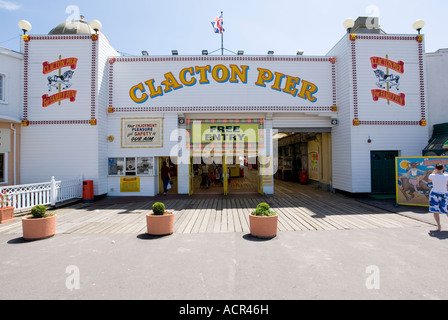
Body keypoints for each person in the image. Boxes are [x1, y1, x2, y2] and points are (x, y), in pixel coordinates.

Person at [428, 163, 448, 231]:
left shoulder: (432, 175)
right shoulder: (446, 175)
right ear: (442, 169)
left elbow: (429, 181)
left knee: (435, 210)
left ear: (436, 168)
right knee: (446, 210)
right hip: (444, 193)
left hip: (434, 193)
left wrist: (434, 171)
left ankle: (439, 226)